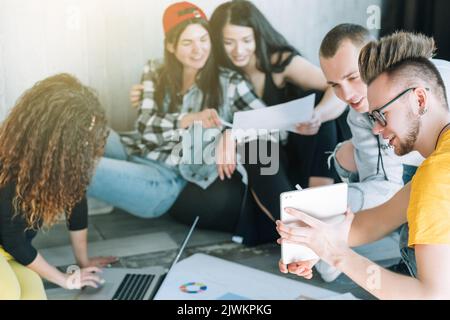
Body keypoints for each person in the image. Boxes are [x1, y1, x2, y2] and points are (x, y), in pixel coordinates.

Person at [277, 32, 450, 299]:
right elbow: (380, 218)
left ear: (419, 100)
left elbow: (432, 296)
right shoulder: (435, 167)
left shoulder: (437, 176)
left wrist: (337, 255)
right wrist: (319, 242)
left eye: (381, 115)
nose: (377, 130)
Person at [89, 2, 267, 237]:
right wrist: (189, 119)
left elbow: (273, 124)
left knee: (77, 166)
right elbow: (144, 127)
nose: (198, 50)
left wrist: (231, 134)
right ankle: (99, 191)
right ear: (171, 46)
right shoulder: (155, 69)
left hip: (164, 178)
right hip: (131, 149)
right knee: (78, 120)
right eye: (188, 42)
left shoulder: (230, 82)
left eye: (204, 40)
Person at [207, 0, 347, 244]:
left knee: (317, 106)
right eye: (229, 42)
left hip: (305, 149)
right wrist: (230, 134)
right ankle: (303, 234)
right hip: (266, 159)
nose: (238, 50)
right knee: (257, 146)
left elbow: (338, 90)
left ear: (258, 36)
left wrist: (320, 114)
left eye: (246, 41)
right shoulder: (220, 74)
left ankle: (318, 218)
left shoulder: (279, 62)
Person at [0, 74, 117, 300]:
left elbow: (76, 199)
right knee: (9, 291)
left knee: (33, 293)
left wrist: (82, 262)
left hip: (9, 250)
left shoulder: (64, 162)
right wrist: (64, 279)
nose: (86, 143)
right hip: (9, 244)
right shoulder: (7, 166)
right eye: (79, 137)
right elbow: (13, 239)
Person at [314, 24, 405, 282]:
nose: (347, 95)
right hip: (412, 183)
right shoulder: (358, 115)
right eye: (335, 85)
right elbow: (383, 183)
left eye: (353, 77)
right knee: (344, 156)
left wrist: (329, 210)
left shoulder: (428, 83)